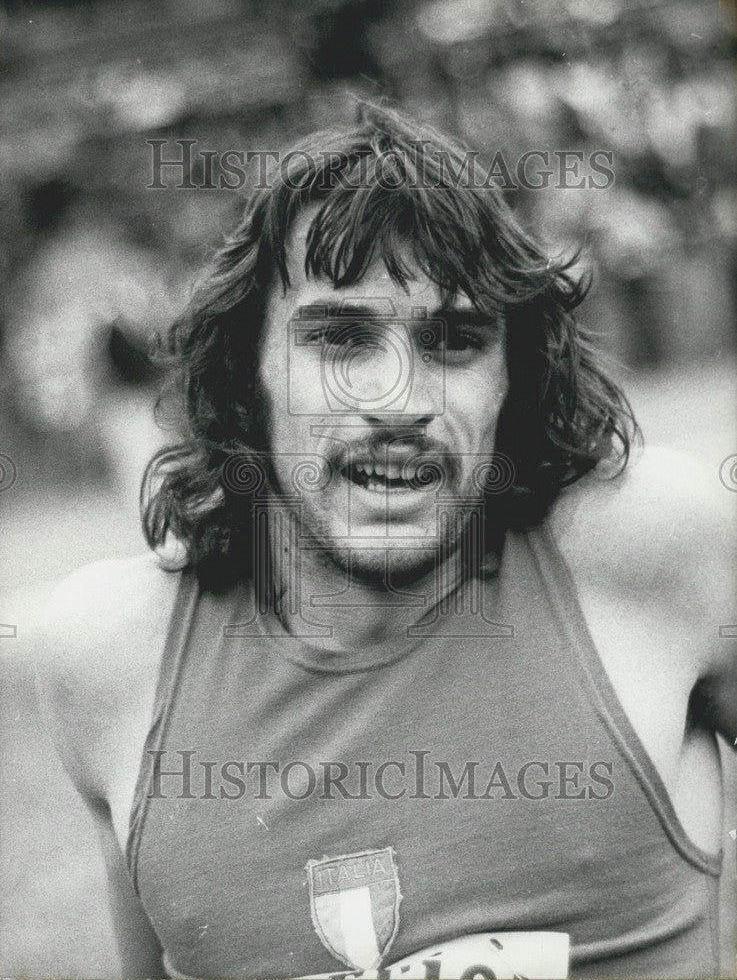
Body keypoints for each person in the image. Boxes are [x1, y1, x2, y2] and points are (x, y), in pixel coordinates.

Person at [34, 102, 735, 980]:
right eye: (338, 336)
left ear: (513, 378)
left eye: (454, 340)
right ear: (244, 374)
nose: (398, 397)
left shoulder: (655, 556)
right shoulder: (109, 656)